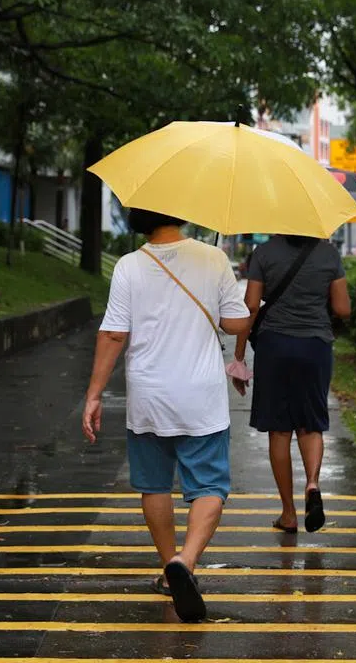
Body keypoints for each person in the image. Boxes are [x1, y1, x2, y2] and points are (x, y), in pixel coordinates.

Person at [82, 208, 250, 622]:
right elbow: (234, 323)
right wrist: (245, 304)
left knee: (154, 485)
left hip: (149, 395)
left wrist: (94, 394)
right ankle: (186, 562)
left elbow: (114, 332)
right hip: (201, 397)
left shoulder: (129, 266)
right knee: (209, 485)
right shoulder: (212, 259)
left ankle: (167, 566)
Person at [231, 235, 350, 534]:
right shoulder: (329, 254)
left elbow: (251, 306)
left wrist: (239, 357)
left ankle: (288, 513)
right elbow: (343, 308)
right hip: (316, 346)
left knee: (280, 429)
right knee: (311, 425)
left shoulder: (264, 252)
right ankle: (312, 484)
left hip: (275, 347)